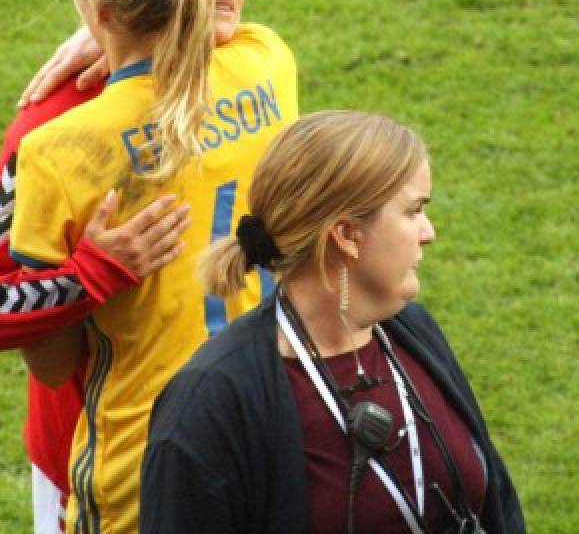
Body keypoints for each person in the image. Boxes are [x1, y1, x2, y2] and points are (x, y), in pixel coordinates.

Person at [0, 0, 268, 533]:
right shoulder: (264, 67)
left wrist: (88, 274)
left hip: (124, 460)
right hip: (210, 426)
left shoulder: (62, 132)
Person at [141, 111, 526, 534]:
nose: (429, 232)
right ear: (346, 235)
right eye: (413, 211)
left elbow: (497, 503)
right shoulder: (212, 403)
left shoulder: (411, 332)